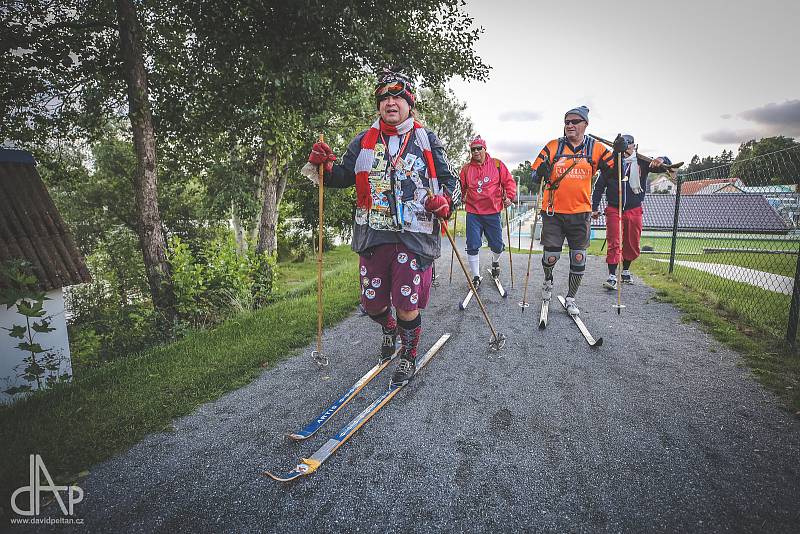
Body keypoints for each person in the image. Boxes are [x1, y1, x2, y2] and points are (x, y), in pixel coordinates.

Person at [303, 67, 458, 386]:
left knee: (405, 301)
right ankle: (388, 328)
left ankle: (408, 356)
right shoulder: (363, 140)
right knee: (372, 303)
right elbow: (342, 177)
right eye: (383, 97)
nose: (390, 101)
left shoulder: (425, 138)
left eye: (397, 96)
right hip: (374, 235)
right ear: (378, 105)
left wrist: (444, 200)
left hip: (413, 236)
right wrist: (324, 166)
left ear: (409, 102)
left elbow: (450, 181)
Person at [530, 106, 622, 316]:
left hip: (581, 212)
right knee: (550, 256)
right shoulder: (553, 146)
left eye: (574, 121)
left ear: (585, 124)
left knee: (578, 258)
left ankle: (571, 298)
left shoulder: (596, 149)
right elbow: (534, 175)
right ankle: (548, 280)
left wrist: (618, 153)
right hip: (553, 211)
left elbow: (614, 173)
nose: (569, 125)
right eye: (566, 122)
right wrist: (540, 172)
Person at [592, 135, 671, 288]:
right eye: (623, 145)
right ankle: (612, 276)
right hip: (614, 208)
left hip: (634, 208)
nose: (627, 147)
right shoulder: (611, 163)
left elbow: (666, 165)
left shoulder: (642, 162)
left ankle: (626, 271)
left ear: (634, 146)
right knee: (614, 241)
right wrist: (594, 208)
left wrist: (662, 159)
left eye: (629, 144)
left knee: (632, 242)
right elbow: (599, 186)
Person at [459, 136, 516, 287]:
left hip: (493, 211)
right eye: (473, 149)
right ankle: (476, 277)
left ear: (485, 149)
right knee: (472, 244)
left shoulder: (497, 164)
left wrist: (509, 197)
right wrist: (460, 197)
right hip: (473, 212)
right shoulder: (466, 169)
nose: (476, 151)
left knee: (497, 245)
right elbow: (461, 188)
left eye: (479, 148)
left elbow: (509, 182)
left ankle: (495, 262)